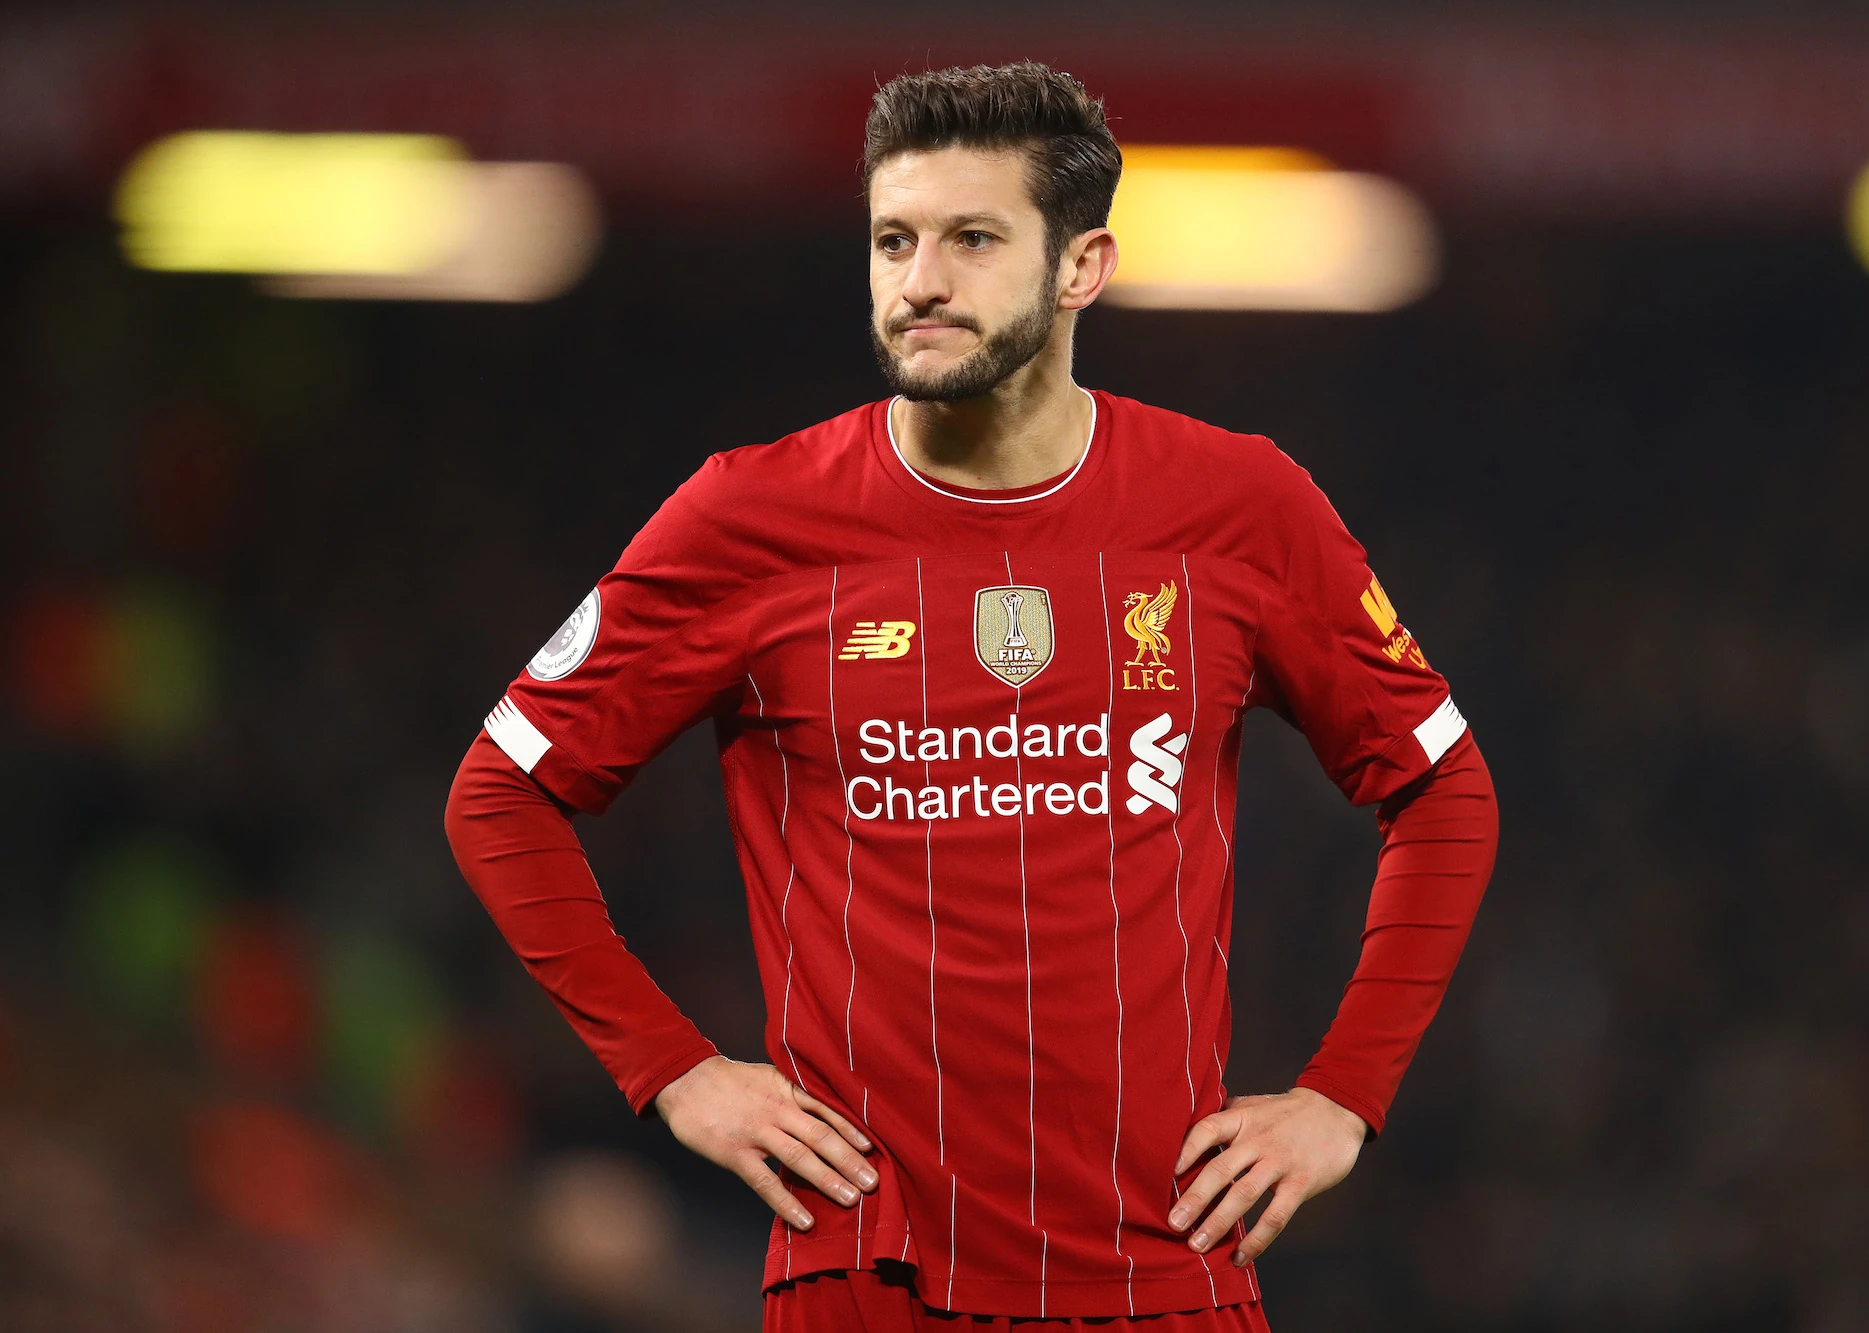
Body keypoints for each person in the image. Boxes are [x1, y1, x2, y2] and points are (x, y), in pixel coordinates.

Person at [445, 61, 1498, 1332]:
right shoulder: (748, 516)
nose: (920, 282)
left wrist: (1342, 1095)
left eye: (972, 240)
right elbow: (500, 793)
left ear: (1081, 267)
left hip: (1163, 1267)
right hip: (866, 1274)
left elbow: (1440, 786)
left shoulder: (1239, 508)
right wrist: (672, 1071)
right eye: (893, 240)